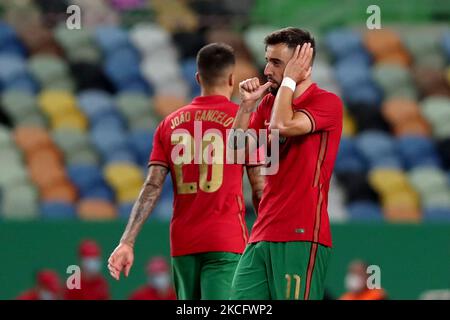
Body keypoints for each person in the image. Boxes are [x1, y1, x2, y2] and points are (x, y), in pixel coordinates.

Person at [108, 43, 265, 300]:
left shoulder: (168, 124)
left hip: (183, 243)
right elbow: (259, 188)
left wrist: (127, 241)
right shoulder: (245, 122)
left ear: (197, 78)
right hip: (226, 239)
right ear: (231, 79)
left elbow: (152, 186)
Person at [229, 27, 343, 300]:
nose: (267, 69)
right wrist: (246, 108)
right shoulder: (267, 103)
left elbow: (282, 125)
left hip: (300, 234)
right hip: (262, 232)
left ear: (302, 64)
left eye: (276, 62)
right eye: (267, 60)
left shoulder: (326, 102)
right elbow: (235, 150)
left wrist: (290, 81)